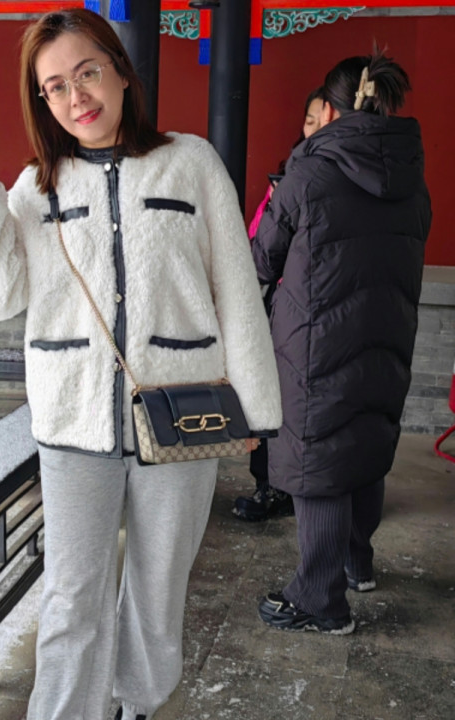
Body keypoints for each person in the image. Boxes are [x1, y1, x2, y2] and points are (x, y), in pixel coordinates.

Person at [0, 9, 281, 719]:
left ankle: (139, 707)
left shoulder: (191, 163)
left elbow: (236, 290)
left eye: (88, 72)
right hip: (74, 422)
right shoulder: (37, 187)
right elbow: (0, 297)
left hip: (184, 412)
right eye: (56, 87)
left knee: (158, 591)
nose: (77, 97)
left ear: (122, 72)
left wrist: (254, 412)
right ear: (43, 101)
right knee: (72, 598)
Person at [252, 48, 431, 634]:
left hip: (316, 343)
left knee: (319, 459)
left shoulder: (308, 173)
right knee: (365, 446)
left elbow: (262, 258)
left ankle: (319, 600)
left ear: (330, 110)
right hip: (388, 336)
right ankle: (358, 562)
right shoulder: (412, 180)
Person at [232, 86, 325, 522]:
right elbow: (260, 248)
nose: (314, 130)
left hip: (321, 306)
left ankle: (300, 490)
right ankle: (269, 485)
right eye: (308, 121)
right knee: (272, 394)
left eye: (322, 121)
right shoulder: (289, 177)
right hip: (283, 306)